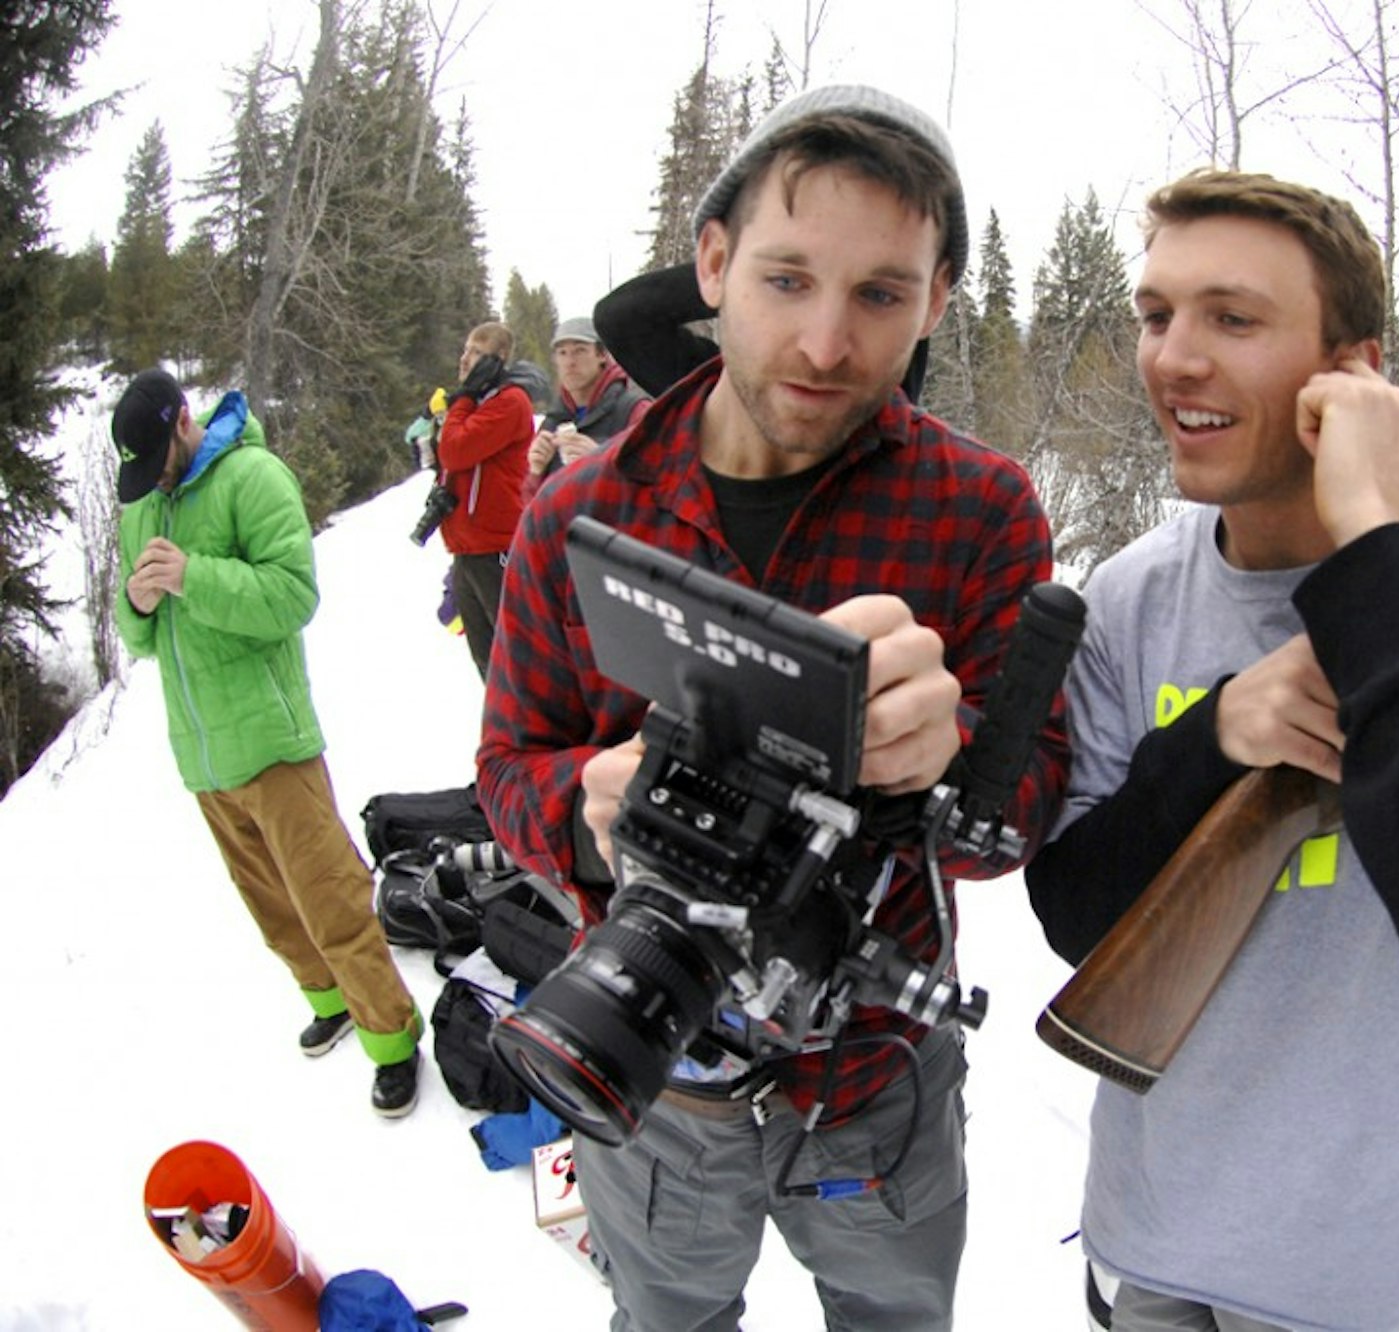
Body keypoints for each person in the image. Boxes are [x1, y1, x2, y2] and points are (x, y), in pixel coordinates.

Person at [475, 85, 1067, 1330]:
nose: (823, 346)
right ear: (713, 262)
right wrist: (591, 813)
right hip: (655, 1075)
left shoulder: (978, 513)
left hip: (869, 1080)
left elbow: (1012, 821)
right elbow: (507, 763)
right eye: (787, 279)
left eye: (879, 296)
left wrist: (948, 756)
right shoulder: (578, 513)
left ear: (937, 300)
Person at [1023, 171, 1399, 1332]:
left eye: (1231, 319)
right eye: (1156, 315)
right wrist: (1212, 740)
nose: (1172, 358)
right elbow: (1070, 914)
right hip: (1141, 1239)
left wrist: (1373, 554)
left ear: (1351, 371)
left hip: (1345, 1282)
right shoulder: (1133, 596)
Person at [110, 368, 424, 1118]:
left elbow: (293, 597)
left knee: (329, 896)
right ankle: (329, 1000)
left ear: (184, 420)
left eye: (158, 453)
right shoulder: (141, 505)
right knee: (270, 903)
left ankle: (394, 1035)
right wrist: (136, 601)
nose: (152, 474)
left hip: (272, 740)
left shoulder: (252, 476)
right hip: (202, 752)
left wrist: (192, 577)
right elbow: (140, 640)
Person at [435, 320, 536, 679]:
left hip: (496, 546)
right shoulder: (478, 403)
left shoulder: (510, 402)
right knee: (485, 659)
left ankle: (531, 729)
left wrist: (460, 400)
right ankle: (501, 729)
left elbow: (456, 450)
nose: (465, 359)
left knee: (513, 658)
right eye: (465, 350)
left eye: (477, 352)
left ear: (500, 358)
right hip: (467, 547)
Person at [521, 315, 651, 502]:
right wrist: (536, 472)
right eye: (562, 353)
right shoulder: (553, 421)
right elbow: (531, 508)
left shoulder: (635, 411)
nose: (570, 362)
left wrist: (604, 464)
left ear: (601, 355)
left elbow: (659, 486)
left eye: (580, 351)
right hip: (562, 529)